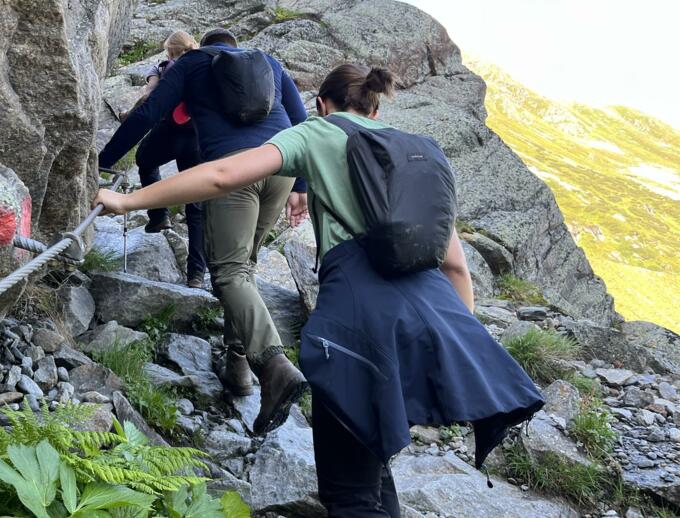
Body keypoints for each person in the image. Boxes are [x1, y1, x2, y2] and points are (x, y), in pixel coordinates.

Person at [92, 63, 545, 516]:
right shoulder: (420, 151)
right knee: (373, 461)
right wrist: (448, 353)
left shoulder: (318, 132)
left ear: (322, 104)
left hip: (359, 320)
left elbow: (222, 175)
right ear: (376, 104)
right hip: (436, 319)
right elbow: (456, 268)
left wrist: (128, 199)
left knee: (348, 490)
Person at [98, 28, 311, 435]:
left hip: (232, 171)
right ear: (235, 46)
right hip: (279, 166)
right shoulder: (268, 61)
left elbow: (148, 112)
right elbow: (302, 123)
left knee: (229, 273)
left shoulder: (192, 63)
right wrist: (300, 185)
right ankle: (239, 367)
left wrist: (105, 161)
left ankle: (274, 365)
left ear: (208, 45)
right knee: (243, 268)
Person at [125, 30, 207, 289]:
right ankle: (196, 273)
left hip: (170, 134)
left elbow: (152, 93)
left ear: (170, 51)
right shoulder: (205, 64)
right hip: (198, 139)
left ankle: (159, 214)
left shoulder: (170, 67)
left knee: (145, 160)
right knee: (196, 204)